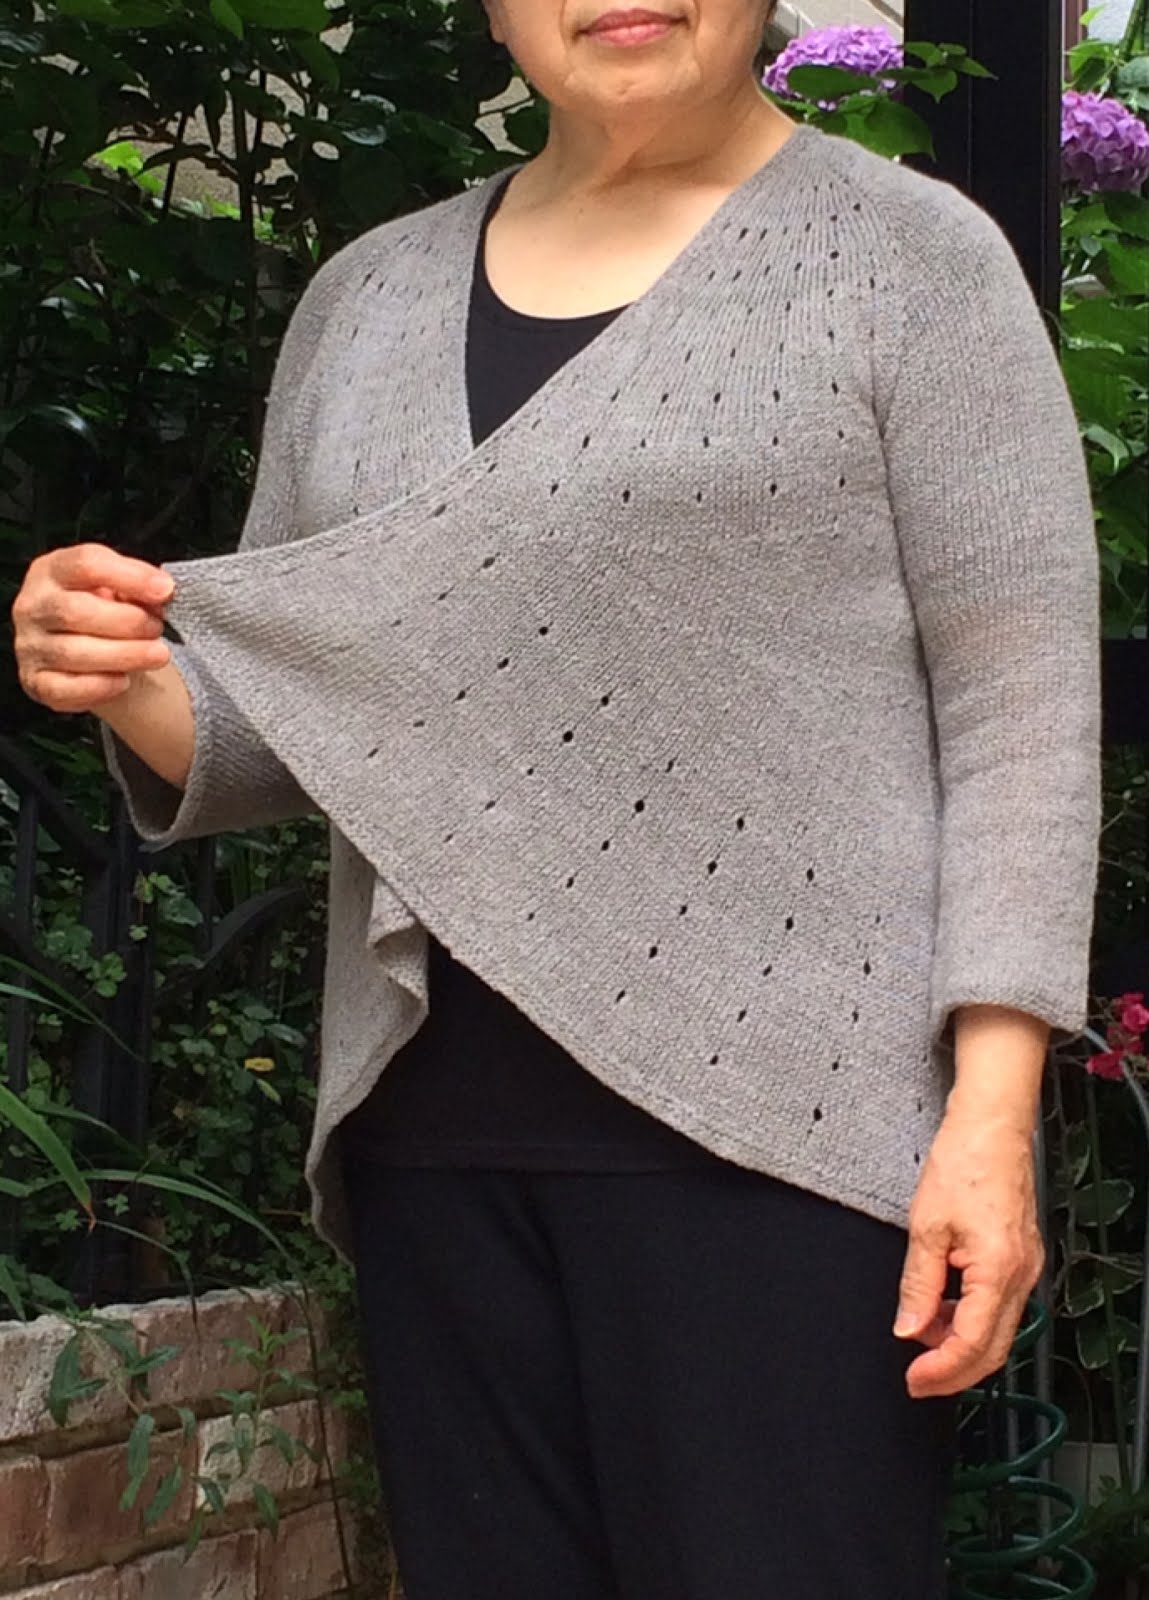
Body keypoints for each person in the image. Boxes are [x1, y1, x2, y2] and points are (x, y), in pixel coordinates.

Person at [12, 1, 1101, 1595]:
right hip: (431, 1137)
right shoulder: (363, 298)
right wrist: (118, 670)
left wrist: (988, 1123)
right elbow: (290, 727)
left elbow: (1020, 718)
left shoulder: (910, 260)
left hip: (787, 1146)